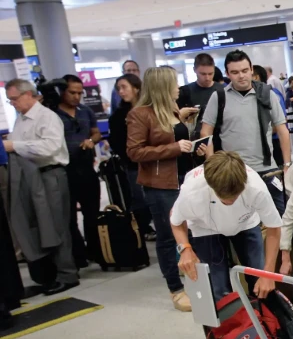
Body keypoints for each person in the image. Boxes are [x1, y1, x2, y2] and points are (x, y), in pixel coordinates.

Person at [128, 66, 209, 312]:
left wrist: (195, 146)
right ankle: (175, 289)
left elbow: (175, 139)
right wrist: (175, 148)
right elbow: (134, 152)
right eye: (174, 83)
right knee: (168, 236)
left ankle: (198, 282)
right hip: (161, 186)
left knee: (193, 232)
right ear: (163, 86)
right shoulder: (140, 114)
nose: (179, 87)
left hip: (187, 180)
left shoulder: (173, 110)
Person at [172, 151, 282, 302]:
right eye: (225, 198)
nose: (230, 201)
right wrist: (185, 248)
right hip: (206, 227)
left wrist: (268, 273)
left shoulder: (256, 188)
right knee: (218, 289)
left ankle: (264, 321)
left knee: (261, 282)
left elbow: (274, 228)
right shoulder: (192, 192)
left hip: (246, 222)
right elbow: (176, 220)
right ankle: (229, 323)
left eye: (235, 196)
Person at [4, 79, 79, 295]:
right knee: (40, 226)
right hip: (30, 178)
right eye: (10, 101)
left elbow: (50, 147)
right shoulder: (21, 120)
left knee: (57, 224)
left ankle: (67, 274)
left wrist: (14, 145)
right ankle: (50, 274)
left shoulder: (47, 117)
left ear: (29, 94)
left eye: (15, 99)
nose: (13, 104)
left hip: (50, 175)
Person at [201, 50, 292, 216]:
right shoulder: (218, 97)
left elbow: (282, 130)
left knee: (280, 220)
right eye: (235, 72)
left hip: (268, 170)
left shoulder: (267, 94)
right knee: (242, 223)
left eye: (244, 71)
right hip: (234, 173)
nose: (241, 76)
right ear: (228, 74)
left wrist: (287, 165)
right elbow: (206, 132)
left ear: (251, 70)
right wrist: (213, 166)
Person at [56, 74, 103, 268]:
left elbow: (96, 132)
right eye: (72, 92)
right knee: (69, 217)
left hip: (86, 167)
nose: (76, 97)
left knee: (92, 213)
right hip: (65, 170)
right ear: (62, 92)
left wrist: (92, 141)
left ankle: (95, 251)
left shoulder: (85, 111)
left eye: (79, 93)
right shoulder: (53, 113)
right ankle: (78, 254)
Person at [107, 73, 155, 240]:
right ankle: (141, 230)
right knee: (139, 198)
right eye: (118, 88)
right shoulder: (118, 116)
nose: (121, 91)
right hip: (133, 164)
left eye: (124, 87)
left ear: (136, 88)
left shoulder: (150, 109)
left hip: (156, 160)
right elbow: (116, 142)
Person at [176, 53, 218, 137]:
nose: (207, 78)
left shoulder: (223, 90)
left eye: (210, 74)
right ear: (194, 70)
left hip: (218, 137)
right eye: (203, 74)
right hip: (193, 138)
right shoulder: (184, 92)